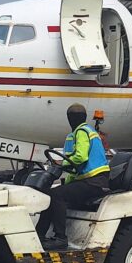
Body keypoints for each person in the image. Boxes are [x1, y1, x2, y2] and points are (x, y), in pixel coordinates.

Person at [36, 104, 110, 249]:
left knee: (56, 196)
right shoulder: (87, 131)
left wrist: (61, 162)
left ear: (70, 119)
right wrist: (65, 182)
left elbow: (80, 157)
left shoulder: (81, 132)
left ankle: (60, 238)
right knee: (54, 193)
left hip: (94, 182)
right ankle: (39, 235)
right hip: (92, 181)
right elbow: (76, 169)